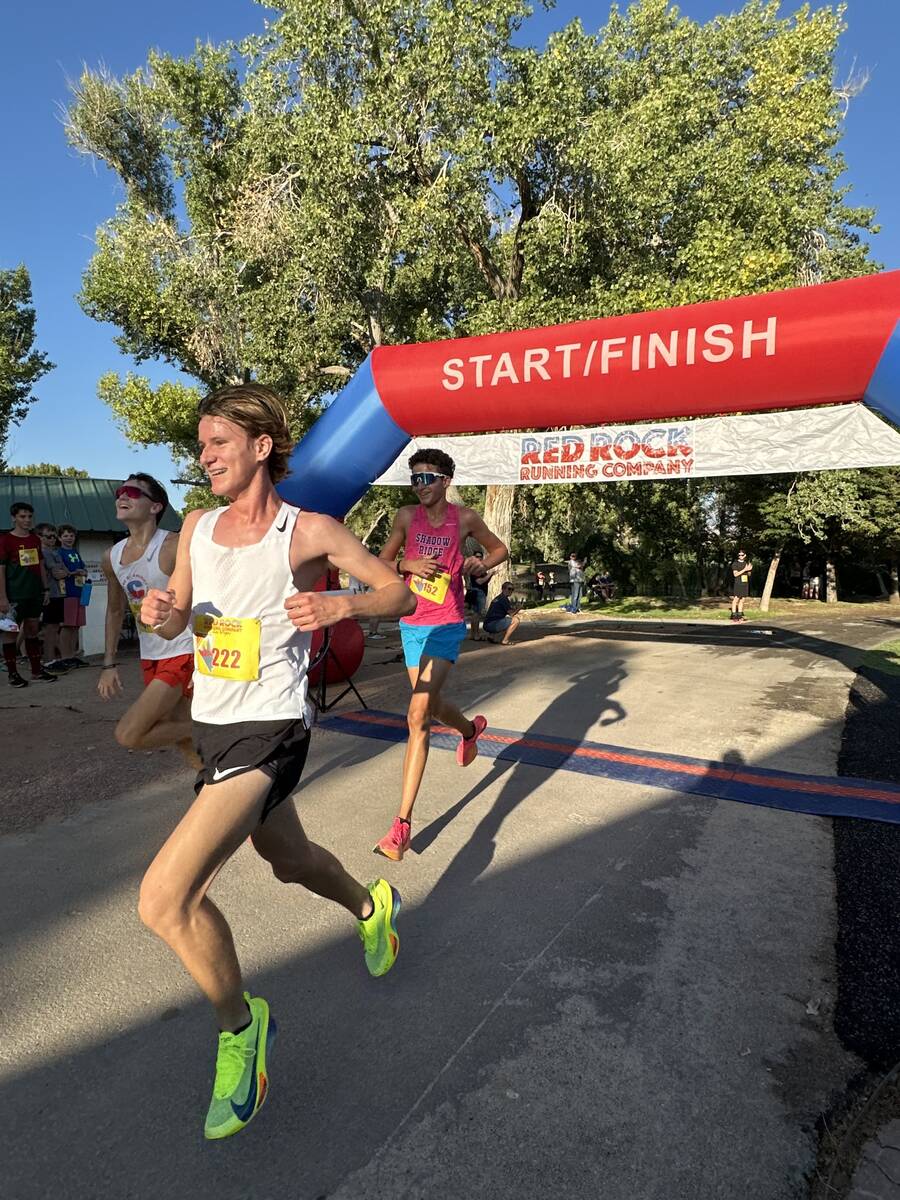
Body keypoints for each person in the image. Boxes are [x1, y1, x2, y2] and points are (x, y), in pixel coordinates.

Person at [138, 382, 413, 1140]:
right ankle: (371, 906)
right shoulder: (195, 526)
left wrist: (342, 606)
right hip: (217, 727)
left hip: (275, 728)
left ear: (261, 446)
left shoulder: (309, 530)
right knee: (288, 860)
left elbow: (399, 594)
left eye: (217, 442)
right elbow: (183, 607)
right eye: (202, 445)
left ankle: (240, 1028)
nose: (205, 457)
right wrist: (159, 611)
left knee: (165, 898)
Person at [374, 449, 508, 861]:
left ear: (446, 480)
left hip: (447, 623)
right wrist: (407, 563)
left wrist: (478, 564)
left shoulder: (464, 518)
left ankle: (401, 826)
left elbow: (498, 550)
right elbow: (380, 561)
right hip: (412, 623)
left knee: (417, 716)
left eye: (428, 478)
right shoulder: (403, 517)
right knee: (428, 708)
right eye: (415, 479)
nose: (421, 486)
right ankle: (469, 731)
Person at [98, 473, 198, 763]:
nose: (122, 496)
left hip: (183, 650)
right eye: (120, 492)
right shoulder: (111, 557)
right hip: (150, 654)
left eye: (132, 492)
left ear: (156, 507)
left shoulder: (174, 545)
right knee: (183, 736)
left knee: (130, 733)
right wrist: (108, 664)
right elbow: (115, 610)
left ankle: (215, 726)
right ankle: (217, 791)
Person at [0, 502, 58, 687]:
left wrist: (46, 589)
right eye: (22, 516)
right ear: (14, 518)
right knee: (10, 633)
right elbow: (0, 570)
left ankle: (36, 671)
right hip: (14, 595)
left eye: (29, 516)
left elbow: (40, 565)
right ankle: (12, 674)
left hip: (34, 593)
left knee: (32, 630)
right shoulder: (5, 540)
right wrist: (2, 597)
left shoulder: (34, 540)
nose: (26, 520)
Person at [36, 523, 69, 671]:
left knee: (55, 626)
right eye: (49, 536)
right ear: (40, 537)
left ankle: (53, 657)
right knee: (49, 627)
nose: (53, 539)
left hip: (59, 592)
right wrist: (62, 572)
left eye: (54, 536)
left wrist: (64, 572)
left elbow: (65, 571)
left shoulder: (55, 552)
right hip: (50, 593)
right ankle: (47, 659)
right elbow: (56, 571)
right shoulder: (43, 552)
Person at [57, 524, 90, 668]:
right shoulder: (58, 553)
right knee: (67, 625)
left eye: (71, 535)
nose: (69, 538)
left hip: (79, 591)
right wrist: (74, 572)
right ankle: (65, 657)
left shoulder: (76, 552)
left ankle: (72, 655)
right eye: (65, 536)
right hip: (67, 592)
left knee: (76, 625)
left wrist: (82, 571)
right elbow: (59, 571)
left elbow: (83, 568)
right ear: (59, 538)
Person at [483, 581, 522, 645]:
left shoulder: (499, 597)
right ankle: (505, 640)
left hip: (487, 624)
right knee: (516, 620)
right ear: (503, 589)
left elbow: (505, 610)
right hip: (492, 625)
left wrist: (515, 607)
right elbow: (511, 614)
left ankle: (491, 636)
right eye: (509, 589)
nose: (511, 591)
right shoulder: (503, 599)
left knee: (503, 619)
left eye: (512, 589)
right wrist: (519, 608)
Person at [464, 549, 490, 641]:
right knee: (476, 614)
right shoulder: (476, 568)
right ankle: (476, 635)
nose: (479, 558)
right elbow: (480, 581)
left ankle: (472, 634)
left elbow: (484, 582)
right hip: (478, 592)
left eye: (480, 556)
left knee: (474, 614)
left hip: (478, 591)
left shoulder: (479, 568)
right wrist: (490, 574)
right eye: (477, 556)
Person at [730, 549, 753, 621]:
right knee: (736, 598)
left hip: (745, 583)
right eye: (739, 555)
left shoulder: (746, 563)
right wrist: (745, 569)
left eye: (742, 555)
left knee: (743, 599)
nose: (740, 556)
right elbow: (735, 574)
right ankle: (734, 615)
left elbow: (749, 574)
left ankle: (740, 615)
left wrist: (750, 569)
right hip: (738, 583)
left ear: (745, 555)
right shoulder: (735, 563)